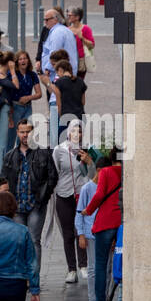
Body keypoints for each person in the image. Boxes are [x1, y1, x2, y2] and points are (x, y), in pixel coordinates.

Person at [0, 118, 55, 268]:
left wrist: (44, 197)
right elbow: (2, 180)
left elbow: (52, 177)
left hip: (36, 205)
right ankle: (22, 276)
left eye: (28, 131)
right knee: (19, 241)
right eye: (22, 132)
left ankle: (34, 277)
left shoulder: (43, 153)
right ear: (17, 133)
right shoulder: (10, 156)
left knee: (34, 240)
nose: (25, 135)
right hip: (16, 207)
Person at [50, 119, 92, 285]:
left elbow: (94, 172)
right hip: (64, 195)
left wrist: (89, 161)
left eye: (80, 131)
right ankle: (71, 269)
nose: (77, 134)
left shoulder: (88, 148)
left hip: (82, 195)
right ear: (68, 133)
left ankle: (84, 265)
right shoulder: (59, 150)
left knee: (80, 230)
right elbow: (54, 171)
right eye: (74, 131)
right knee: (67, 233)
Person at [82, 151, 122, 301]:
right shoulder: (127, 172)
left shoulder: (106, 171)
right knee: (119, 261)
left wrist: (88, 210)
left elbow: (99, 195)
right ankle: (118, 298)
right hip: (120, 222)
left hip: (105, 222)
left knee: (100, 264)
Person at [42, 59, 87, 144]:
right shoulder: (80, 81)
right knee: (79, 144)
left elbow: (59, 104)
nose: (57, 75)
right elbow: (83, 102)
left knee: (61, 143)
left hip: (66, 118)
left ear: (61, 70)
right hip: (80, 116)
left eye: (57, 73)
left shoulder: (59, 82)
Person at [75, 169, 99, 301]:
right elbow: (79, 212)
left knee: (104, 267)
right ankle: (92, 300)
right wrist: (81, 234)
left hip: (102, 230)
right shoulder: (87, 188)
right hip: (90, 232)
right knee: (92, 268)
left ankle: (101, 297)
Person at [40, 8, 77, 75]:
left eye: (47, 20)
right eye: (44, 20)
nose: (45, 22)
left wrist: (48, 68)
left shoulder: (57, 33)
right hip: (65, 72)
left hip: (58, 74)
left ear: (55, 19)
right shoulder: (62, 30)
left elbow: (55, 53)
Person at [67, 6, 95, 81]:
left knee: (79, 83)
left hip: (81, 60)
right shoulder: (67, 30)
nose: (68, 17)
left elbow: (91, 45)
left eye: (70, 15)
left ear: (77, 17)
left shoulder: (86, 29)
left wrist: (82, 38)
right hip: (69, 60)